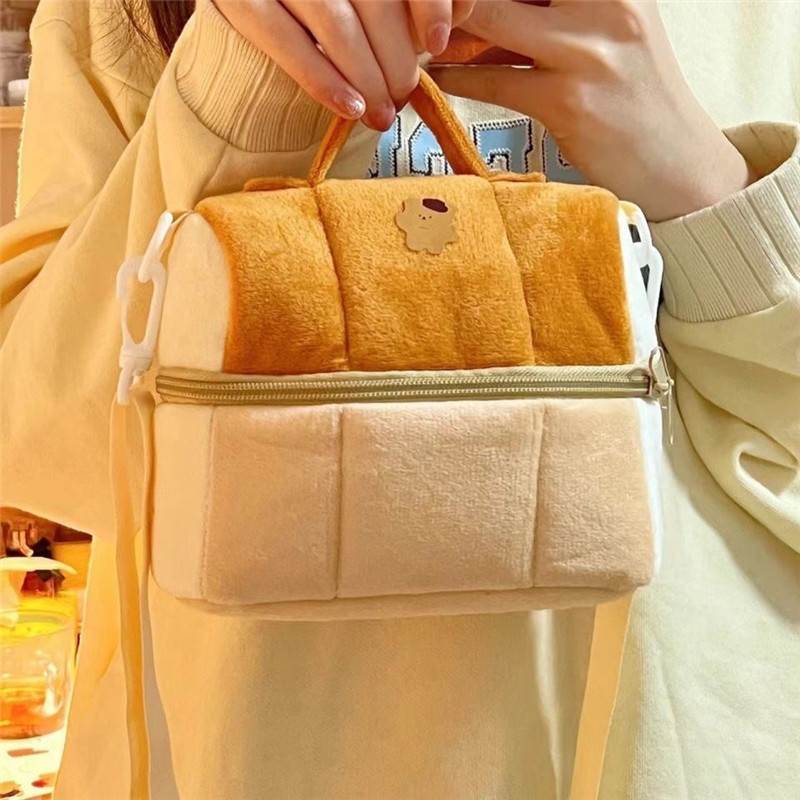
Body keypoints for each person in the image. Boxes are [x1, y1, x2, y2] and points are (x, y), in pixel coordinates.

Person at [1, 1, 798, 797]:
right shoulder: (118, 17)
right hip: (250, 760)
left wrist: (703, 183)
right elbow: (39, 450)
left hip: (689, 754)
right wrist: (242, 94)